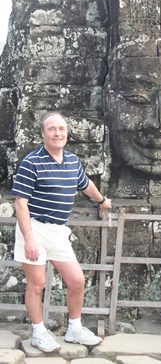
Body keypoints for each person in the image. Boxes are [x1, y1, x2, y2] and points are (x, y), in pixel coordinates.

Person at [12, 112, 112, 353]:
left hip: (58, 231)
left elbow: (85, 184)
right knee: (37, 284)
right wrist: (29, 240)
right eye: (52, 129)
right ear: (43, 134)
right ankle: (38, 332)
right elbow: (20, 203)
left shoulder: (72, 161)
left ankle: (74, 328)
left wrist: (102, 201)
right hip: (34, 228)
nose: (57, 133)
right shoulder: (31, 162)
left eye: (61, 129)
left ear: (67, 133)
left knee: (77, 280)